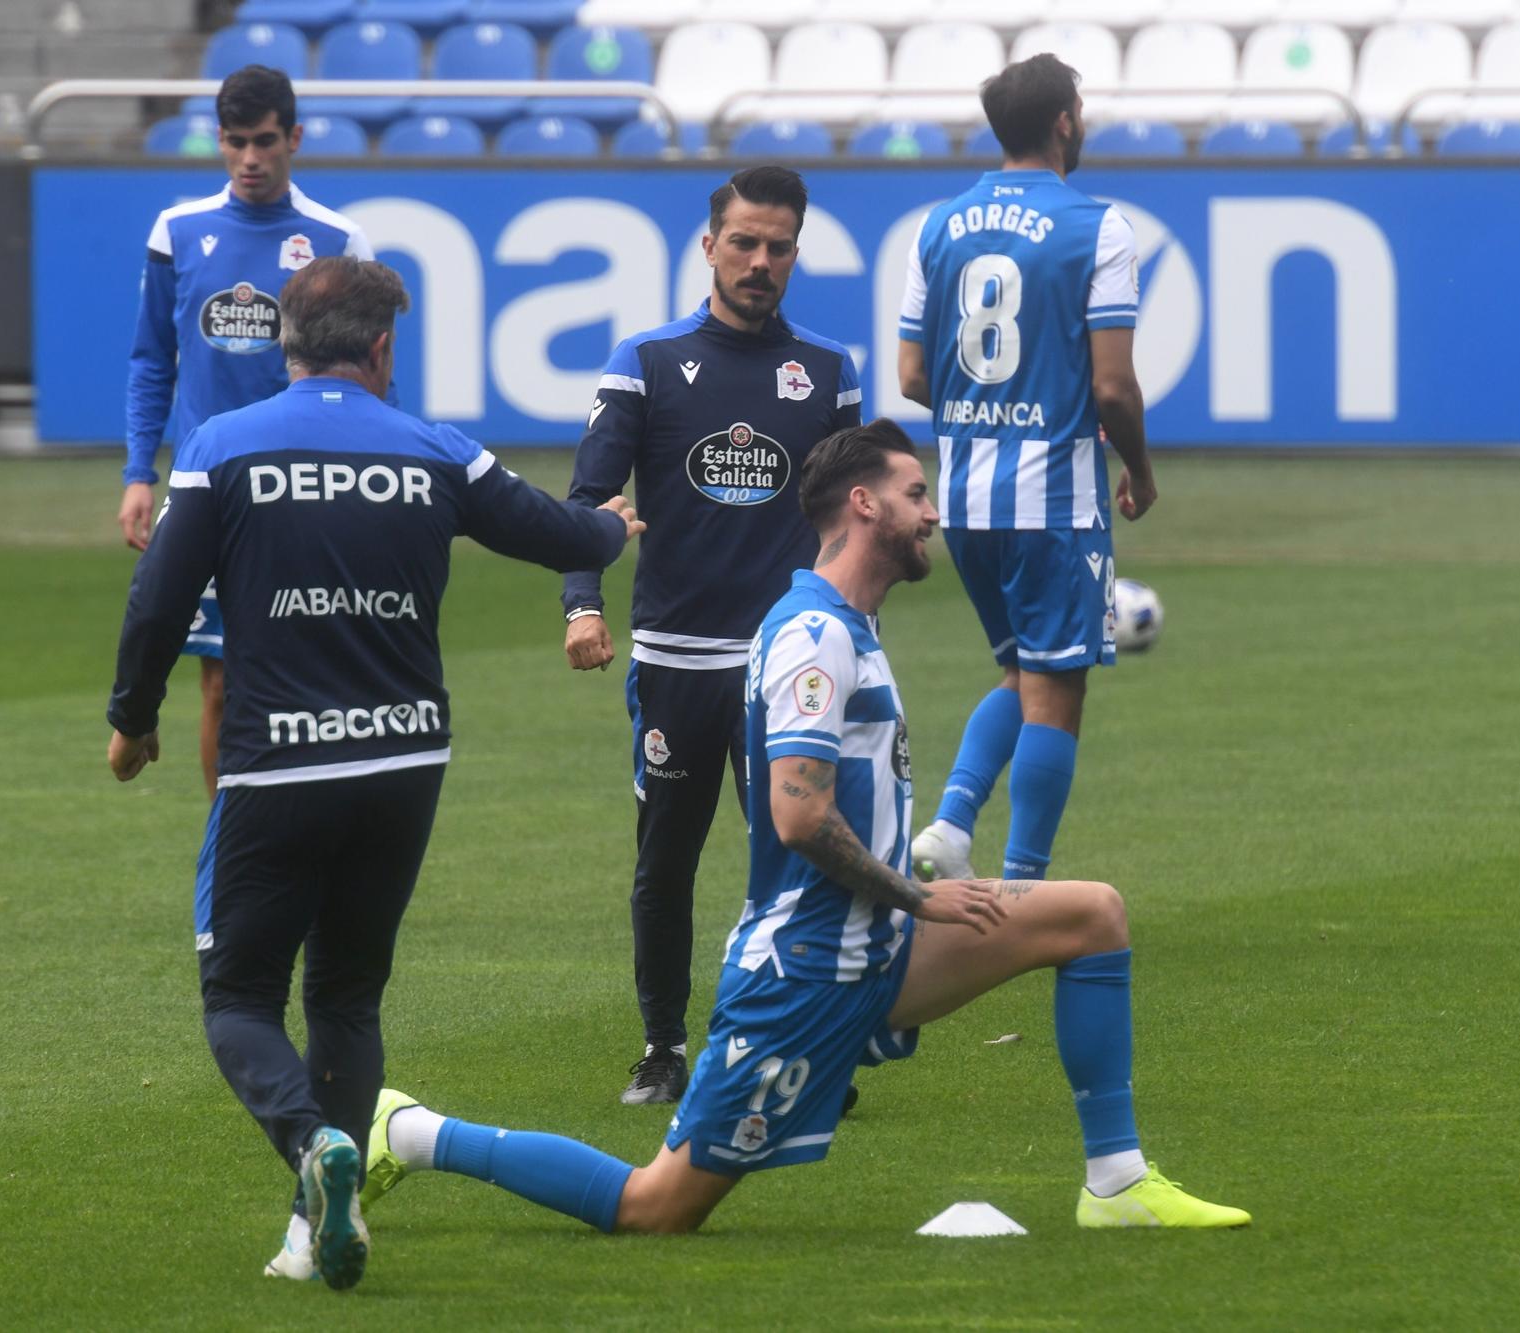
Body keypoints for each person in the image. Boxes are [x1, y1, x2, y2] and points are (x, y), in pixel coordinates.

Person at [354, 420, 1246, 1240]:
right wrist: (918, 895)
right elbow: (797, 812)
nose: (933, 512)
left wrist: (908, 908)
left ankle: (1118, 1181)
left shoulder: (849, 622)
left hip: (877, 945)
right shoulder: (814, 635)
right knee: (655, 1206)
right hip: (807, 967)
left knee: (1093, 916)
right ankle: (418, 1130)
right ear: (864, 505)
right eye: (915, 493)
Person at [103, 256, 644, 1291]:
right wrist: (607, 529)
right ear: (383, 347)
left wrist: (133, 721)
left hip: (274, 769)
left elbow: (156, 603)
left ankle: (312, 1146)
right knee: (347, 992)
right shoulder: (432, 448)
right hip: (404, 760)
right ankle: (311, 1235)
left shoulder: (223, 446)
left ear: (284, 346)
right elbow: (553, 532)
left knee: (240, 1000)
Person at [561, 165, 864, 1105]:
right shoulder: (645, 360)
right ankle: (662, 1045)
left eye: (778, 246)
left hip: (789, 663)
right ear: (709, 245)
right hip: (676, 662)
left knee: (802, 851)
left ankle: (806, 1043)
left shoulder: (827, 369)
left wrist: (859, 630)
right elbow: (588, 498)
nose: (760, 261)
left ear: (797, 252)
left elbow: (850, 522)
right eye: (744, 242)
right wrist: (583, 603)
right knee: (667, 860)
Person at [897, 55, 1158, 889]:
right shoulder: (1097, 226)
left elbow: (910, 376)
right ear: (1066, 122)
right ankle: (1022, 884)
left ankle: (949, 824)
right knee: (1058, 690)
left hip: (966, 498)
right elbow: (1113, 384)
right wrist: (1141, 471)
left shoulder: (937, 225)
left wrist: (988, 406)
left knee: (1021, 672)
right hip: (1054, 498)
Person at [119, 64, 375, 801]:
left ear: (293, 137)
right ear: (220, 143)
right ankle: (232, 856)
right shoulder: (179, 231)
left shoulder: (338, 239)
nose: (251, 159)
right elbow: (150, 360)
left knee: (319, 682)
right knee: (223, 685)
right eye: (236, 143)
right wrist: (140, 473)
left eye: (265, 141)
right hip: (213, 493)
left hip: (310, 489)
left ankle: (312, 844)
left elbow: (373, 376)